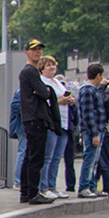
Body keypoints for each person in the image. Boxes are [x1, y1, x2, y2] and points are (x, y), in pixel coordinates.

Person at [18, 40, 56, 205]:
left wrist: (43, 91)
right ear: (27, 53)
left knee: (30, 155)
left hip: (31, 118)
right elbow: (45, 93)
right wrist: (43, 91)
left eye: (40, 50)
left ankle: (26, 192)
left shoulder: (29, 72)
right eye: (34, 50)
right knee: (36, 157)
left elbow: (43, 92)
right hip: (35, 118)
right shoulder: (30, 71)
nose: (38, 53)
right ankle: (32, 193)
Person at [37, 55, 73, 199]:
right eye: (48, 65)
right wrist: (60, 101)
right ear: (42, 68)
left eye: (54, 65)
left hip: (63, 122)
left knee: (57, 157)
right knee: (48, 156)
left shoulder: (57, 82)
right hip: (51, 122)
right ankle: (43, 187)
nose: (52, 67)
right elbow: (45, 102)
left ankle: (53, 186)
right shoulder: (42, 82)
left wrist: (69, 99)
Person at [76, 63, 109, 198]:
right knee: (89, 159)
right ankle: (84, 187)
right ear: (99, 75)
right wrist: (94, 134)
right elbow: (88, 114)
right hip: (93, 130)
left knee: (94, 160)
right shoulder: (88, 90)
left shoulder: (89, 89)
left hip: (95, 129)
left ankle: (91, 186)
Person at [9, 88, 24, 189]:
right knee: (23, 153)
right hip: (23, 127)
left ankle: (20, 181)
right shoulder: (20, 91)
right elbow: (15, 107)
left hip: (27, 126)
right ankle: (18, 182)